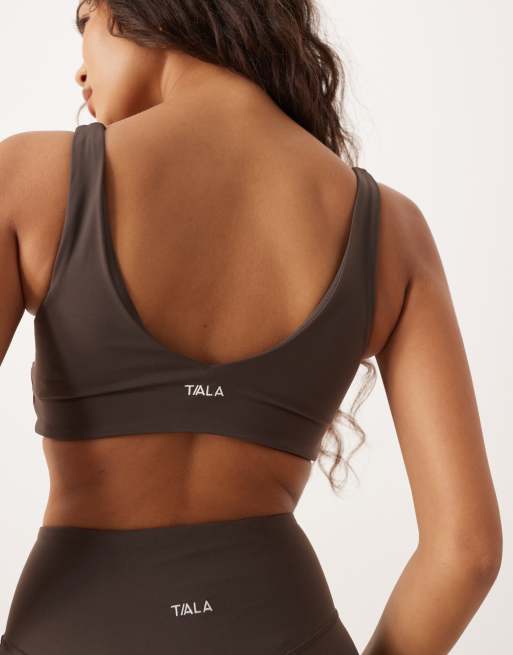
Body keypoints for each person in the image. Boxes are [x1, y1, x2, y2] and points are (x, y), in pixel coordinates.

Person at [0, 1, 502, 654]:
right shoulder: (390, 232)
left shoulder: (29, 179)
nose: (79, 71)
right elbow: (466, 550)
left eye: (85, 20)